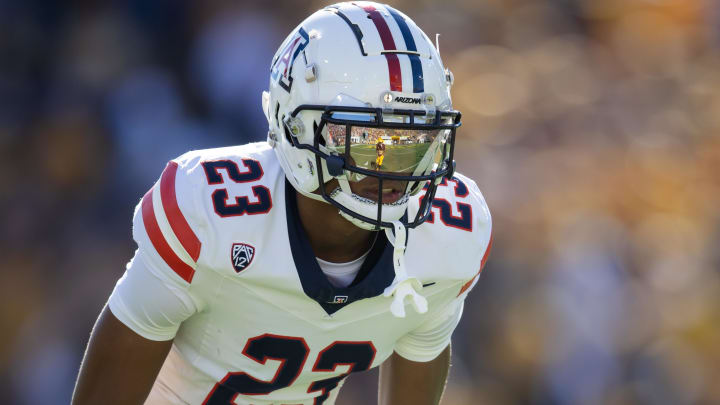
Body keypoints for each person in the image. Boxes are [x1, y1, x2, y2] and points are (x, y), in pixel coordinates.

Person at [72, 2, 492, 405]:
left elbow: (423, 351)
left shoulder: (451, 236)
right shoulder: (208, 214)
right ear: (297, 128)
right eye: (370, 143)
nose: (396, 173)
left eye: (414, 145)